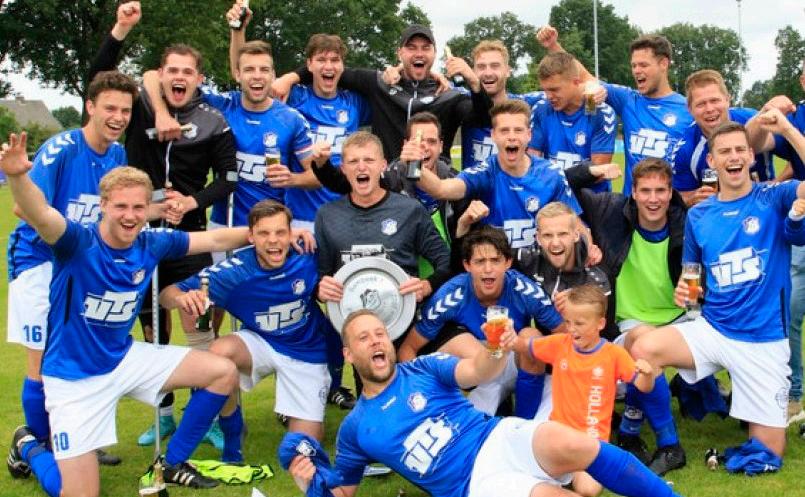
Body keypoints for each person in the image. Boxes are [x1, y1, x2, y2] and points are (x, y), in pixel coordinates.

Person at [0, 136, 250, 496]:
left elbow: (214, 241)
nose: (130, 216)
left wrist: (268, 235)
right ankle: (30, 447)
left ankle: (170, 463)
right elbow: (40, 214)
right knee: (79, 493)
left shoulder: (151, 242)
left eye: (138, 207)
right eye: (120, 206)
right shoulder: (77, 242)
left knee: (222, 372)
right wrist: (17, 177)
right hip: (73, 378)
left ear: (148, 208)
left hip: (124, 359)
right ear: (103, 204)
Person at [287, 309, 682, 497]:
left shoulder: (423, 368)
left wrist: (495, 349)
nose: (376, 341)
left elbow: (478, 370)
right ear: (348, 354)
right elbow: (343, 492)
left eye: (380, 333)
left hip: (497, 436)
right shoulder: (356, 427)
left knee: (576, 443)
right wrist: (307, 483)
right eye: (364, 338)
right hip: (475, 483)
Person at [90, 3, 239, 447]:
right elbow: (100, 75)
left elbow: (229, 178)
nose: (179, 77)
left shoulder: (213, 120)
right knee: (153, 325)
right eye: (171, 70)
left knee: (197, 316)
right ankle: (165, 413)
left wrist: (193, 200)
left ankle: (206, 414)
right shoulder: (139, 108)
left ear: (198, 79)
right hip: (135, 229)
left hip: (185, 234)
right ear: (160, 74)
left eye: (187, 72)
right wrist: (121, 29)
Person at [631, 119, 805, 462]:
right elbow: (692, 279)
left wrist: (787, 130)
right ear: (712, 161)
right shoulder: (699, 215)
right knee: (645, 348)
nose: (733, 156)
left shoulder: (773, 196)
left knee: (769, 452)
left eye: (740, 149)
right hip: (713, 329)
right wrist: (687, 292)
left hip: (763, 340)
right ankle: (654, 438)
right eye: (724, 151)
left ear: (751, 156)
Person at [6, 69, 146, 470]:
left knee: (82, 356)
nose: (118, 117)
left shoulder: (117, 156)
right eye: (110, 108)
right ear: (90, 107)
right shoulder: (62, 148)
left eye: (125, 110)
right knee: (41, 362)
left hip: (80, 269)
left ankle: (77, 441)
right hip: (38, 262)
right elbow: (23, 207)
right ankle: (34, 446)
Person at [160, 200, 332, 462]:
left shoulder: (308, 254)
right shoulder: (234, 272)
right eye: (264, 233)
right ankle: (230, 442)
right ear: (250, 237)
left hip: (306, 352)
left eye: (280, 232)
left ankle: (301, 418)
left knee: (304, 447)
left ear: (291, 233)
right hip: (261, 342)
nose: (273, 241)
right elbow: (166, 295)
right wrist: (182, 298)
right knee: (218, 355)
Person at [572, 157, 687, 475]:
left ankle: (629, 431)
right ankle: (669, 444)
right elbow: (564, 183)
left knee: (649, 344)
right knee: (643, 342)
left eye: (660, 191)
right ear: (633, 192)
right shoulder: (610, 210)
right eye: (645, 191)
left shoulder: (686, 220)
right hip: (631, 323)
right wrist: (592, 171)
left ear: (670, 192)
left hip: (682, 317)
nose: (653, 199)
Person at [399, 225, 565, 416]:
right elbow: (408, 349)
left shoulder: (526, 290)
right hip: (477, 369)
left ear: (508, 262)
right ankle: (468, 414)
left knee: (532, 337)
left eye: (495, 260)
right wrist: (420, 393)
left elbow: (566, 336)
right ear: (467, 265)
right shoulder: (450, 297)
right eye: (480, 261)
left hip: (514, 360)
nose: (488, 269)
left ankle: (525, 420)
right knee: (463, 345)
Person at [272, 24, 491, 161]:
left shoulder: (449, 95)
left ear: (435, 54)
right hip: (388, 190)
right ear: (399, 53)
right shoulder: (379, 83)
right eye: (411, 47)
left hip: (434, 192)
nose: (419, 53)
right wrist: (290, 78)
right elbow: (331, 70)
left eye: (426, 48)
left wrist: (473, 81)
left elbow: (484, 119)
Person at [519, 284, 655, 496]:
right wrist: (508, 339)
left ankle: (567, 476)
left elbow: (644, 387)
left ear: (600, 323)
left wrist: (648, 374)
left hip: (591, 442)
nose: (571, 329)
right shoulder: (560, 344)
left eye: (579, 323)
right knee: (527, 476)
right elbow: (525, 346)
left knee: (588, 489)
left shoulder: (613, 354)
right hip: (558, 436)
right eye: (568, 322)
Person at [537, 26, 692, 194]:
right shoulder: (628, 100)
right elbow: (581, 76)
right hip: (631, 206)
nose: (637, 71)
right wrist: (553, 45)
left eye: (643, 65)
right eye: (634, 65)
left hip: (669, 204)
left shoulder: (689, 110)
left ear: (663, 64)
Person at [414, 99, 584, 251]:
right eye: (504, 131)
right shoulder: (484, 173)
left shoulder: (551, 174)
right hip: (495, 267)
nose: (511, 137)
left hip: (539, 266)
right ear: (493, 135)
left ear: (529, 135)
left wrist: (590, 249)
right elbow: (441, 189)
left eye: (518, 130)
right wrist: (413, 163)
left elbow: (575, 223)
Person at [315, 131, 451, 310]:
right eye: (353, 161)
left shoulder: (410, 210)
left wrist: (427, 285)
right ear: (343, 169)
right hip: (350, 319)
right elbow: (318, 276)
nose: (361, 167)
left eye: (369, 160)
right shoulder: (327, 215)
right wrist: (319, 290)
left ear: (383, 165)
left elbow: (446, 261)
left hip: (401, 317)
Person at [671, 69, 788, 206]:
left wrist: (776, 185)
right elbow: (681, 195)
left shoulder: (756, 120)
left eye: (715, 100)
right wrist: (692, 199)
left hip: (767, 207)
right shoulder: (685, 148)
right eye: (701, 104)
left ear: (727, 99)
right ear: (689, 109)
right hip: (719, 214)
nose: (709, 109)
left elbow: (796, 155)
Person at [529, 52, 618, 193]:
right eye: (545, 90)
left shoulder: (599, 112)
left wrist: (554, 178)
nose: (549, 96)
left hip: (589, 198)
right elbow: (533, 164)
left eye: (554, 89)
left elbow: (599, 172)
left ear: (576, 82)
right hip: (555, 197)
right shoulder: (541, 109)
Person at [453, 39, 543, 168]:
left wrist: (553, 46)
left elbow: (566, 84)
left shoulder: (527, 103)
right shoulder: (463, 100)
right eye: (481, 67)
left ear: (508, 71)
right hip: (474, 181)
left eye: (495, 66)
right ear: (473, 71)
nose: (488, 73)